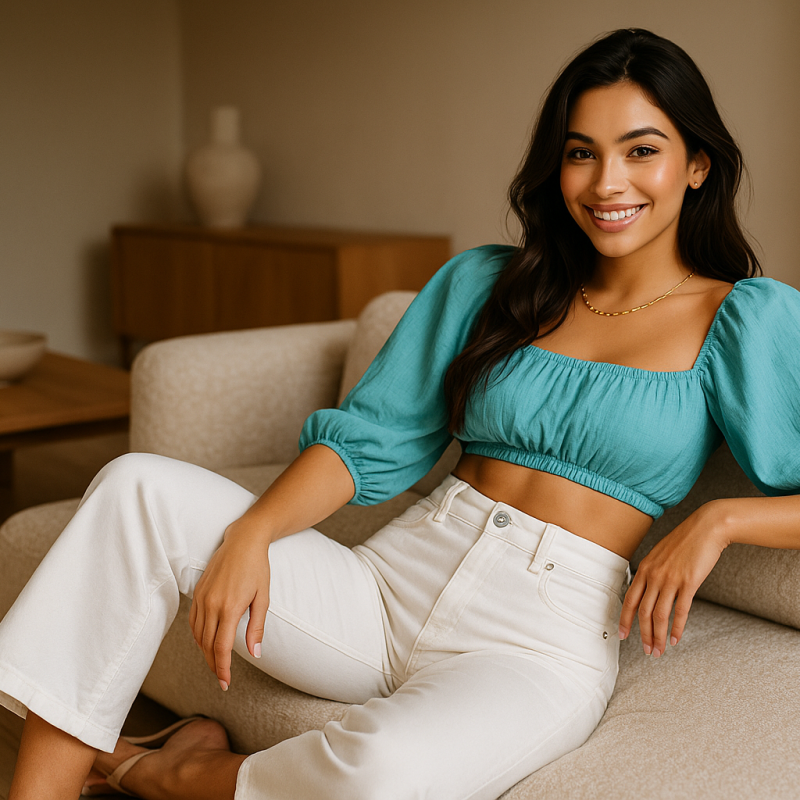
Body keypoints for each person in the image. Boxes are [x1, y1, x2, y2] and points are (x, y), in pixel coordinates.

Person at [3, 26, 800, 800]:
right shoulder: (493, 285)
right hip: (389, 584)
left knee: (382, 775)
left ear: (697, 164)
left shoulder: (745, 320)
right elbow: (367, 439)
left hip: (535, 643)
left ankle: (173, 774)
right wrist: (254, 531)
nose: (606, 183)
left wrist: (720, 522)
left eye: (642, 150)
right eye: (580, 152)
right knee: (136, 487)